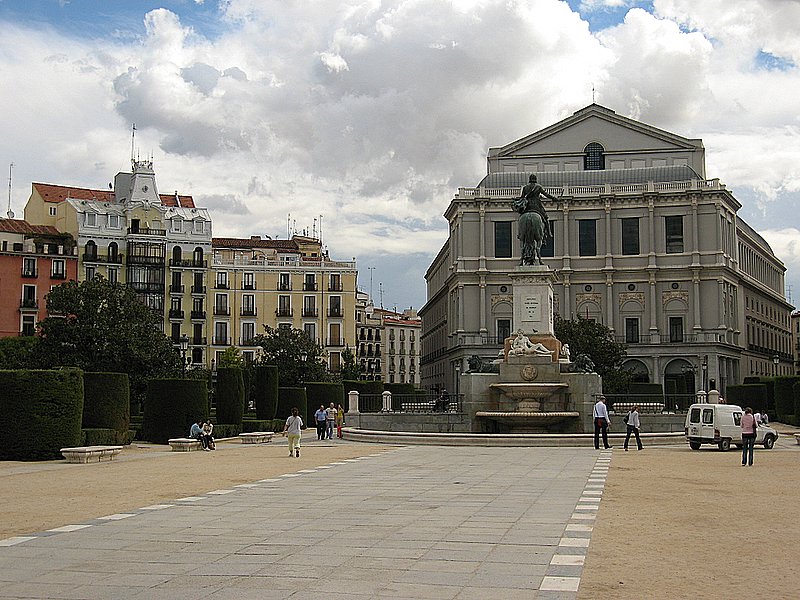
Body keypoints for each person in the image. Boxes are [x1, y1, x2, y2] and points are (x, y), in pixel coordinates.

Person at [513, 174, 558, 265]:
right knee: (546, 218)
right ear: (535, 180)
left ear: (529, 180)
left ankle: (520, 237)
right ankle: (549, 232)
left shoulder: (525, 188)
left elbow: (522, 198)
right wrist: (554, 198)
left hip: (528, 207)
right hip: (537, 207)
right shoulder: (538, 187)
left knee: (521, 219)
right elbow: (546, 194)